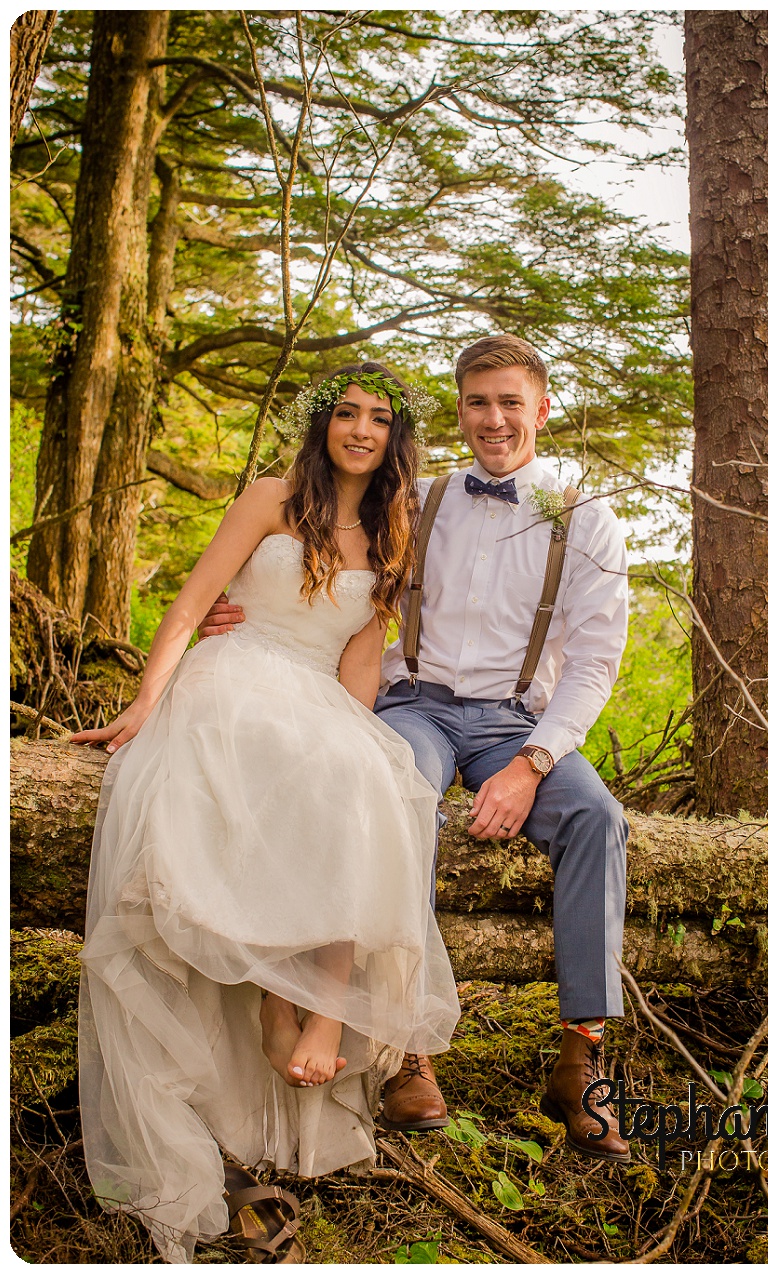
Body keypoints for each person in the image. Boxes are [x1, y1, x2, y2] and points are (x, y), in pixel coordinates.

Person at [201, 333, 635, 1163]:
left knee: (599, 820)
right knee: (389, 799)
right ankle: (406, 1052)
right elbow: (329, 575)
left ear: (542, 409)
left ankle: (581, 1060)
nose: (494, 418)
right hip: (416, 706)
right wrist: (238, 612)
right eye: (478, 401)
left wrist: (530, 764)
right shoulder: (418, 499)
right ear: (460, 410)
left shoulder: (585, 518)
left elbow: (593, 663)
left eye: (511, 401)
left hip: (517, 720)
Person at [74, 363, 460, 1263]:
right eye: (346, 415)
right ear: (322, 423)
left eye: (378, 420)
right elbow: (195, 601)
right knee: (274, 793)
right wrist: (144, 703)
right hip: (236, 672)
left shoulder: (396, 526)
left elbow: (363, 656)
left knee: (360, 784)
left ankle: (318, 1009)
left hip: (317, 693)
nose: (359, 431)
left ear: (396, 438)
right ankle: (278, 1001)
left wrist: (361, 739)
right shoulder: (272, 494)